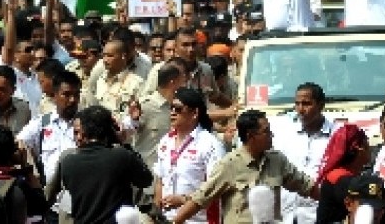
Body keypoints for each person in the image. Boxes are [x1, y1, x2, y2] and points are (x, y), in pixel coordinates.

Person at [171, 109, 317, 223]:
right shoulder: (229, 165)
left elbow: (307, 186)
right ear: (250, 136)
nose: (271, 135)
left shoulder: (277, 161)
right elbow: (200, 199)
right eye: (265, 132)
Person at [48, 105, 152, 223]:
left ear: (84, 132)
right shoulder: (122, 156)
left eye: (77, 132)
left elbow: (51, 195)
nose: (76, 137)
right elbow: (146, 180)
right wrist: (123, 142)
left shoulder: (67, 160)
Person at [154, 88, 225, 223]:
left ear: (194, 113)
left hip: (198, 221)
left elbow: (216, 188)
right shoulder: (165, 141)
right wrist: (158, 215)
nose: (173, 112)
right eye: (171, 108)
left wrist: (182, 200)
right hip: (168, 220)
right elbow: (160, 182)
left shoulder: (210, 144)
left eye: (178, 109)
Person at [272, 83, 336, 224]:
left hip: (318, 215)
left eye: (306, 104)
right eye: (297, 104)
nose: (300, 109)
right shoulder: (285, 134)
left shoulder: (336, 136)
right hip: (287, 214)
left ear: (320, 105)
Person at [17, 70, 81, 186]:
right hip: (50, 192)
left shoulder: (86, 123)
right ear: (54, 95)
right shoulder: (42, 123)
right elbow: (20, 143)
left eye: (76, 95)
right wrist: (32, 173)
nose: (73, 100)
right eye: (66, 94)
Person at [315, 125, 371, 224]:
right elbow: (371, 199)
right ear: (360, 148)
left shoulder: (344, 175)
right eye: (367, 142)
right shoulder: (338, 177)